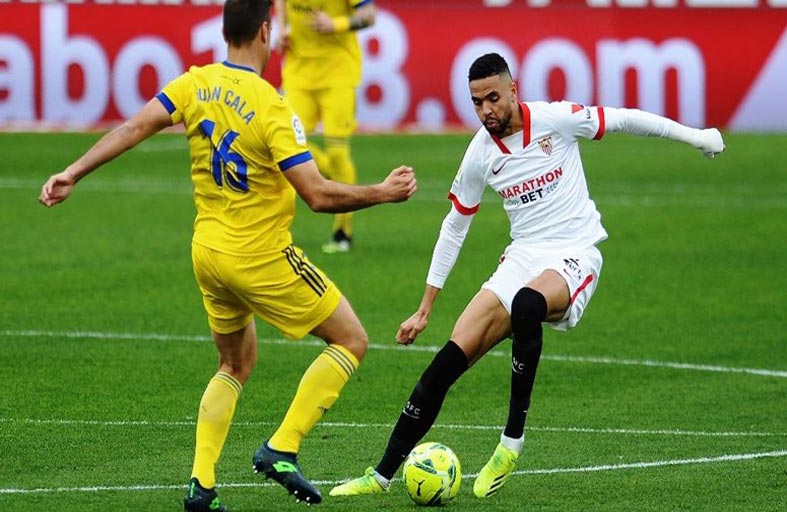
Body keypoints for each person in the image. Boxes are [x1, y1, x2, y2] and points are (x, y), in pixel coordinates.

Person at [38, 0, 416, 509]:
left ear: (225, 31)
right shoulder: (272, 106)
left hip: (207, 254)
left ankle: (202, 483)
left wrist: (72, 173)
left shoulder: (194, 83)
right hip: (260, 256)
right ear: (266, 30)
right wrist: (383, 192)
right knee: (350, 339)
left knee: (234, 364)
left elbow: (132, 129)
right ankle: (282, 448)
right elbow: (318, 195)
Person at [329, 53, 725, 499]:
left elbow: (625, 119)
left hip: (575, 253)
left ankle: (510, 443)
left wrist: (697, 137)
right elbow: (455, 226)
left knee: (527, 305)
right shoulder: (480, 152)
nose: (486, 111)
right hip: (523, 257)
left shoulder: (556, 120)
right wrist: (425, 307)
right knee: (446, 363)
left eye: (493, 98)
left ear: (514, 90)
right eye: (477, 102)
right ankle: (379, 476)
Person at [273, 0, 376, 254]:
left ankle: (342, 232)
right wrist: (282, 29)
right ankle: (331, 176)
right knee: (285, 143)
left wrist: (336, 24)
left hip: (338, 74)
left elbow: (369, 15)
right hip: (298, 74)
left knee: (338, 151)